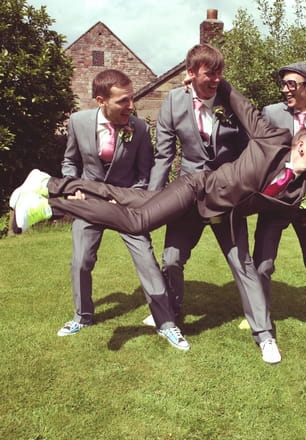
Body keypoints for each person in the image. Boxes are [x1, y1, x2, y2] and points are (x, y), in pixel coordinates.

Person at [12, 79, 306, 364]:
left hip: (223, 214)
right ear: (300, 143)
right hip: (196, 190)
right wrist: (206, 76)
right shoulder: (273, 138)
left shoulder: (301, 194)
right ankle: (50, 200)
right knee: (139, 223)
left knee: (136, 203)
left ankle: (46, 187)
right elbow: (239, 102)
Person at [9, 69, 189, 350]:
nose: (131, 106)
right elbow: (70, 162)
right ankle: (83, 316)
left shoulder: (139, 129)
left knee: (147, 262)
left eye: (131, 100)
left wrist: (127, 199)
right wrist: (74, 188)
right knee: (81, 260)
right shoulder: (78, 122)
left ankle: (166, 324)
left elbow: (144, 174)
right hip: (88, 202)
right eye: (123, 101)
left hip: (125, 206)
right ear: (100, 100)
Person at [146, 44, 270, 347]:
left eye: (220, 73)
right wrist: (153, 200)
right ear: (190, 73)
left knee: (242, 263)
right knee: (172, 258)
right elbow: (164, 155)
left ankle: (264, 335)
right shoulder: (173, 102)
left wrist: (244, 183)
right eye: (209, 73)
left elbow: (252, 144)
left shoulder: (231, 101)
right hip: (188, 192)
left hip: (227, 194)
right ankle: (172, 309)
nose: (216, 79)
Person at [254, 61, 306, 361]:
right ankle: (259, 317)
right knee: (262, 266)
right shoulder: (271, 113)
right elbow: (264, 157)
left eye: (292, 84)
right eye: (284, 84)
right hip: (277, 202)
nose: (285, 89)